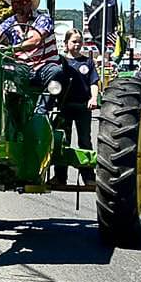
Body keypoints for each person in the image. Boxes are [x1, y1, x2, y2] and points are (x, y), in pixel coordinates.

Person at [0, 0, 61, 109]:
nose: (19, 6)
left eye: (22, 2)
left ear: (30, 4)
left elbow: (36, 40)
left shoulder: (43, 19)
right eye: (15, 3)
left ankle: (41, 111)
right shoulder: (9, 22)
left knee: (55, 71)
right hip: (21, 68)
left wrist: (14, 49)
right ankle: (2, 110)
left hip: (43, 67)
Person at [53, 30, 100, 186]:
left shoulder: (87, 63)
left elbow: (93, 83)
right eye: (74, 41)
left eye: (80, 42)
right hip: (63, 107)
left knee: (85, 142)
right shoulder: (60, 62)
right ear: (66, 43)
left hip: (82, 107)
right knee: (62, 142)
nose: (77, 44)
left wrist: (93, 98)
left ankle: (88, 177)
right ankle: (60, 177)